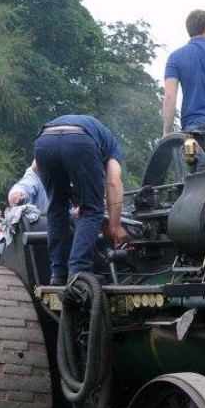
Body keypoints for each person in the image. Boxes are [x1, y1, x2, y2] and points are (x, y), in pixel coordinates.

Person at [33, 114, 129, 285]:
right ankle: (79, 270)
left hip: (44, 140)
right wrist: (115, 225)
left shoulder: (91, 130)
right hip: (79, 140)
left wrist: (65, 192)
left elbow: (35, 167)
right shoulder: (112, 146)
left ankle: (58, 273)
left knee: (56, 208)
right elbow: (113, 182)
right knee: (91, 208)